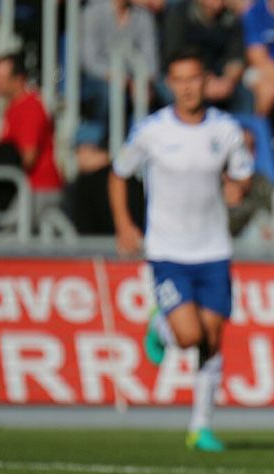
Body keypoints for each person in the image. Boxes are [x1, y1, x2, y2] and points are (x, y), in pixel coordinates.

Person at [108, 48, 254, 452]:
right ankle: (160, 325)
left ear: (206, 80)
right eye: (180, 80)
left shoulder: (225, 129)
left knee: (212, 336)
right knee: (188, 334)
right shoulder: (152, 131)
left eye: (194, 78)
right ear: (170, 83)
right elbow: (119, 174)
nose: (188, 87)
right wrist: (124, 223)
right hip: (168, 248)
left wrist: (237, 187)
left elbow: (242, 175)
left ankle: (200, 426)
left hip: (213, 248)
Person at [0, 52, 64, 219]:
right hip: (25, 188)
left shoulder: (30, 107)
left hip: (38, 188)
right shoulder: (13, 108)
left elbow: (28, 156)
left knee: (7, 236)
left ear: (18, 79)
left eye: (1, 79)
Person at [161, 0, 249, 112]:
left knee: (244, 95)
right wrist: (201, 81)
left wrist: (227, 81)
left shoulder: (231, 18)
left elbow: (236, 60)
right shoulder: (180, 14)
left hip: (218, 78)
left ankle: (238, 128)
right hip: (185, 76)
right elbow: (176, 58)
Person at [81, 0, 159, 124]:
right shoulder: (93, 12)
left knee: (153, 93)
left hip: (134, 77)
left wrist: (142, 81)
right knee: (109, 94)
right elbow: (89, 61)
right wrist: (115, 75)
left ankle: (139, 137)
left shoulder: (143, 16)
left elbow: (151, 60)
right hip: (99, 78)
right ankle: (92, 137)